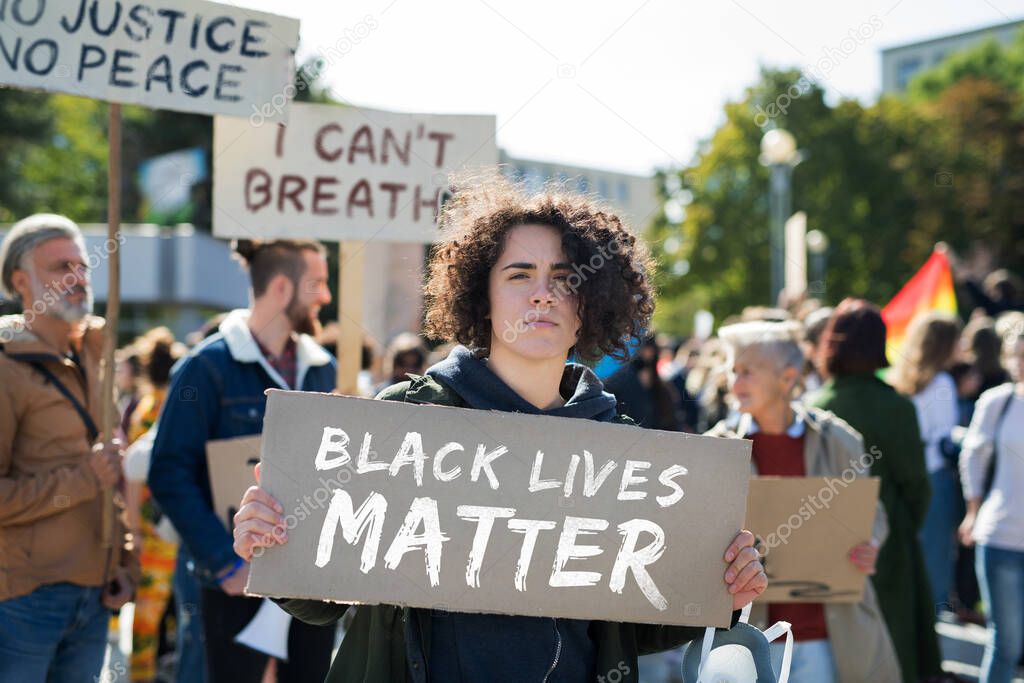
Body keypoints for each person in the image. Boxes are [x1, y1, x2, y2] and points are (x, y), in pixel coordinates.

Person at [232, 176, 767, 683]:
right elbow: (321, 599)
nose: (543, 294)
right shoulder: (406, 419)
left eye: (565, 278)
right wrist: (275, 539)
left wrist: (723, 585)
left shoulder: (624, 449)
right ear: (480, 298)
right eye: (519, 274)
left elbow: (631, 623)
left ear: (592, 304)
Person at [148, 239, 337, 683]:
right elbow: (169, 471)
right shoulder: (205, 367)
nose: (327, 297)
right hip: (234, 584)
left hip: (308, 582)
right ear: (280, 288)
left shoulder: (323, 367)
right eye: (318, 284)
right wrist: (226, 562)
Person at [707, 320, 900, 682]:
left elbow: (873, 515)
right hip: (747, 636)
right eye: (733, 371)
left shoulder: (838, 440)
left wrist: (870, 543)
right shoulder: (716, 448)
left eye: (748, 372)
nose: (736, 383)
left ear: (787, 377)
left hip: (825, 635)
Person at [0, 213, 138, 681]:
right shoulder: (4, 367)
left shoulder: (95, 351)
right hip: (23, 599)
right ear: (21, 281)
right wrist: (83, 481)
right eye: (62, 267)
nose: (79, 278)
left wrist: (121, 555)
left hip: (95, 593)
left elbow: (106, 468)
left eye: (82, 265)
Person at [808, 298, 943, 683]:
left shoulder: (817, 406)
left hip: (829, 544)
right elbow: (917, 485)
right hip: (892, 543)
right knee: (894, 645)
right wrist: (901, 529)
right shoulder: (897, 407)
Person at [959, 325, 1024, 683]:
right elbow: (973, 457)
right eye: (1016, 355)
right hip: (1000, 536)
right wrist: (973, 511)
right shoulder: (997, 402)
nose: (1020, 364)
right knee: (1006, 642)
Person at [888, 311, 962, 611]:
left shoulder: (901, 379)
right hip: (936, 477)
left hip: (906, 475)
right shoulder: (942, 382)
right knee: (935, 556)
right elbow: (944, 436)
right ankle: (930, 620)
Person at [122, 327, 184, 682]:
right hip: (180, 525)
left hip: (150, 528)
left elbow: (132, 473)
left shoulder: (144, 410)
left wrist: (132, 528)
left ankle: (141, 675)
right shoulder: (179, 405)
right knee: (182, 614)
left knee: (147, 615)